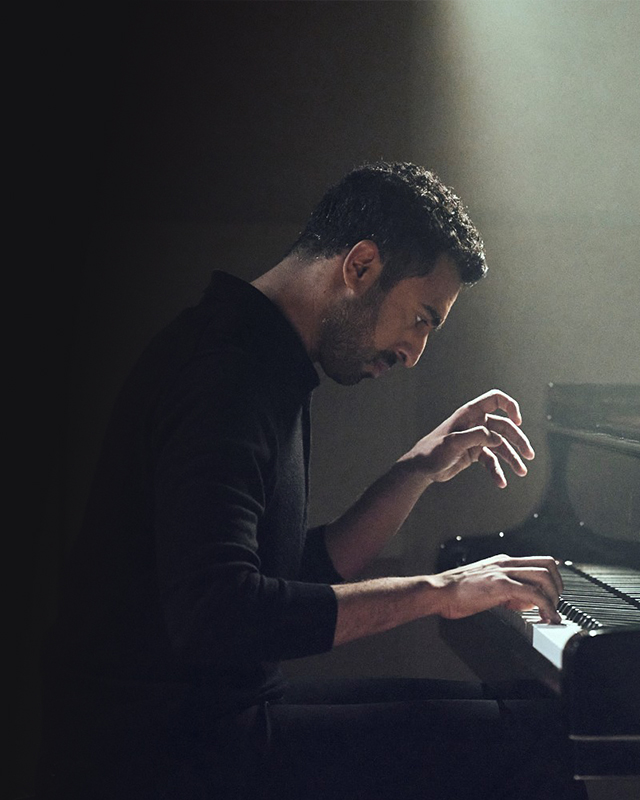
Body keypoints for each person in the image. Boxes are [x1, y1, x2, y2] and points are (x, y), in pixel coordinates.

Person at [37, 162, 586, 799]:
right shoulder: (225, 374)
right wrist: (441, 590)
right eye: (422, 319)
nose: (415, 352)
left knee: (525, 720)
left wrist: (416, 471)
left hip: (213, 724)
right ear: (360, 266)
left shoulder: (264, 359)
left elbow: (287, 576)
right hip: (163, 754)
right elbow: (219, 614)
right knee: (542, 744)